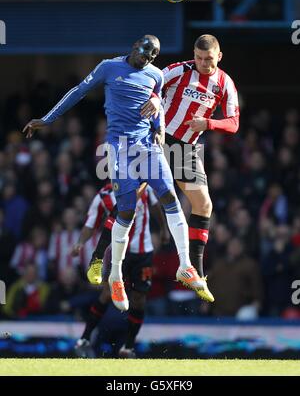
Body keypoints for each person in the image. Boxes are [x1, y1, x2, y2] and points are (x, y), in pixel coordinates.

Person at [23, 34, 206, 313]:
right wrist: (47, 119)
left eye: (153, 55)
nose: (148, 58)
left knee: (170, 195)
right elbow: (77, 92)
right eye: (145, 52)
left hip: (148, 147)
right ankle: (116, 275)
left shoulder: (155, 75)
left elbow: (159, 105)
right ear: (134, 47)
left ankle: (185, 265)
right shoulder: (109, 67)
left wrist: (158, 126)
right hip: (120, 149)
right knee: (126, 210)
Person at [161, 34, 240, 302]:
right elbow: (149, 86)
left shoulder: (225, 83)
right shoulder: (177, 70)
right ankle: (100, 257)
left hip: (185, 149)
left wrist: (209, 124)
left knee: (203, 205)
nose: (203, 63)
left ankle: (194, 271)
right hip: (159, 141)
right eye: (198, 58)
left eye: (208, 59)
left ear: (219, 56)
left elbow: (233, 123)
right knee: (131, 199)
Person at [73, 183, 169, 358]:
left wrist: (163, 229)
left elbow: (155, 206)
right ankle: (85, 338)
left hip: (143, 254)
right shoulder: (104, 195)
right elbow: (91, 223)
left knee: (139, 299)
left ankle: (128, 346)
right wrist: (80, 242)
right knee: (107, 293)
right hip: (119, 254)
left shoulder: (144, 188)